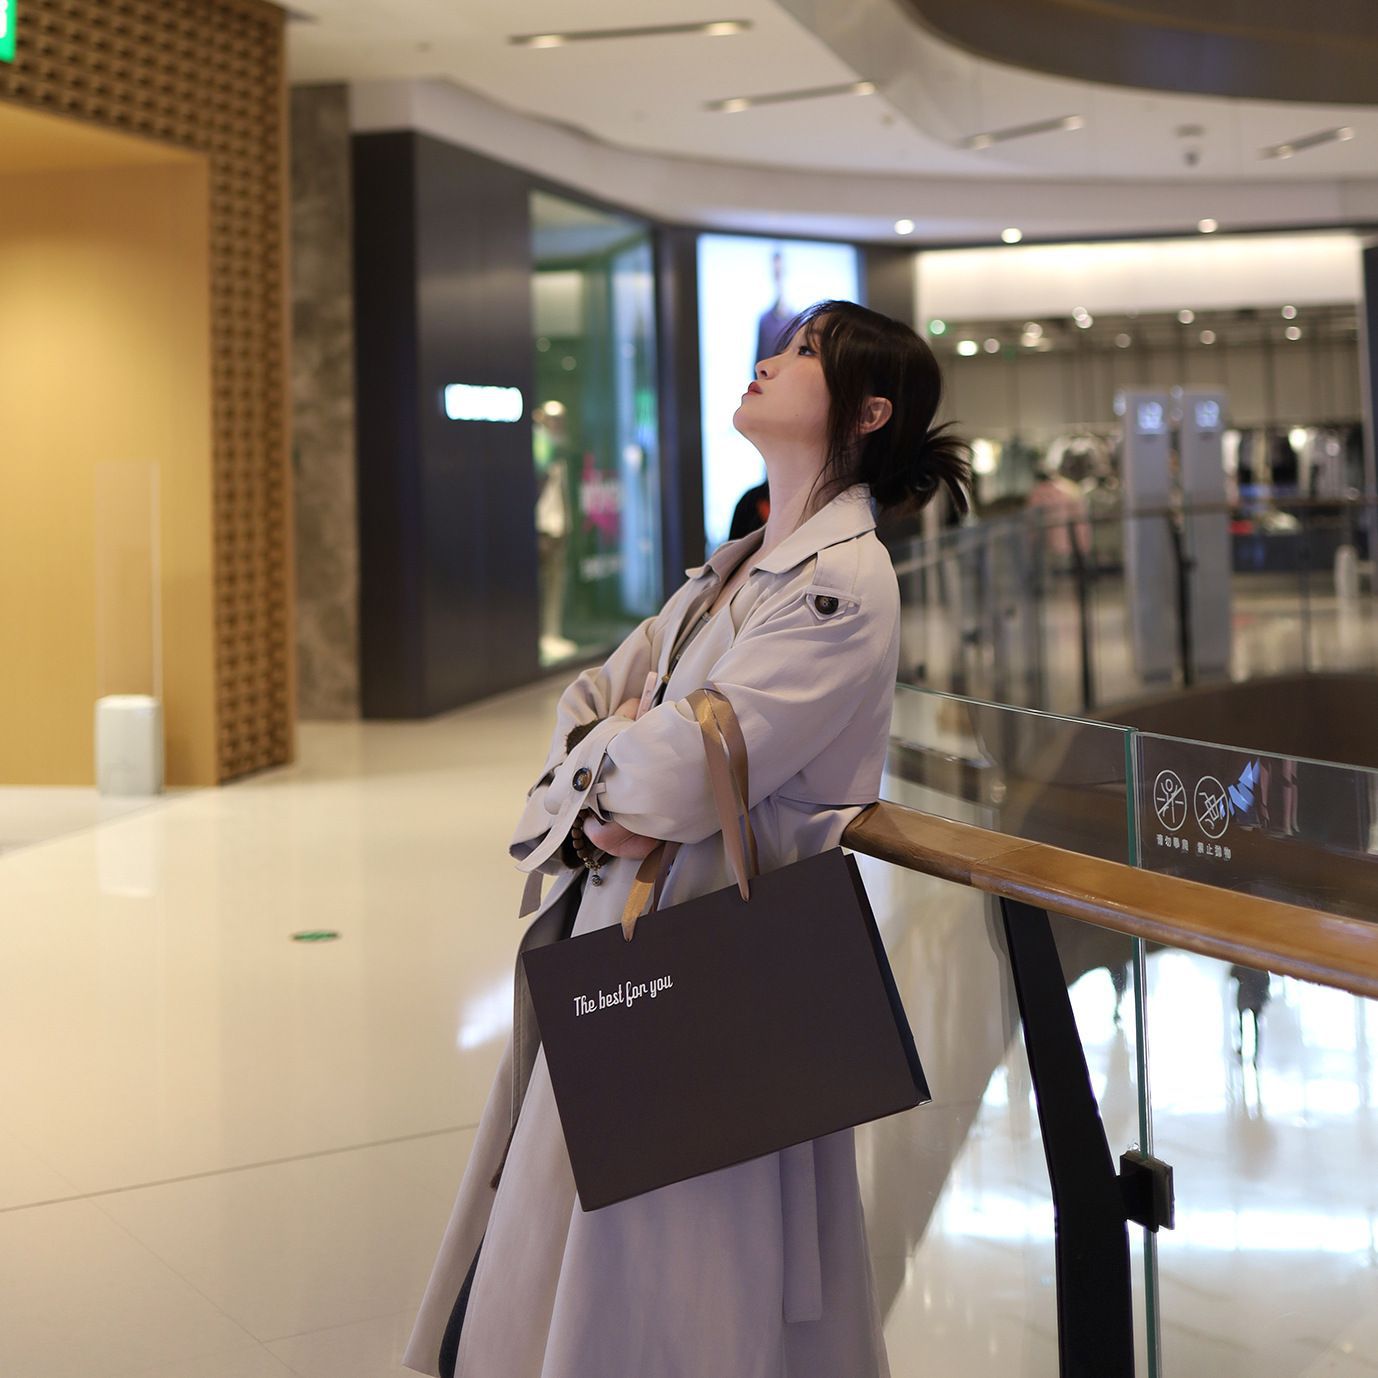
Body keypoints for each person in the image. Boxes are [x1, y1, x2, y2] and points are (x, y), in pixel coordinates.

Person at [404, 300, 970, 1378]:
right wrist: (612, 765)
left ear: (869, 411)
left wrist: (618, 762)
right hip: (639, 940)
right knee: (598, 1226)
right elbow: (590, 703)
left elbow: (669, 776)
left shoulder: (840, 584)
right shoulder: (735, 568)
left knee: (690, 1270)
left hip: (717, 960)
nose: (769, 362)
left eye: (805, 352)